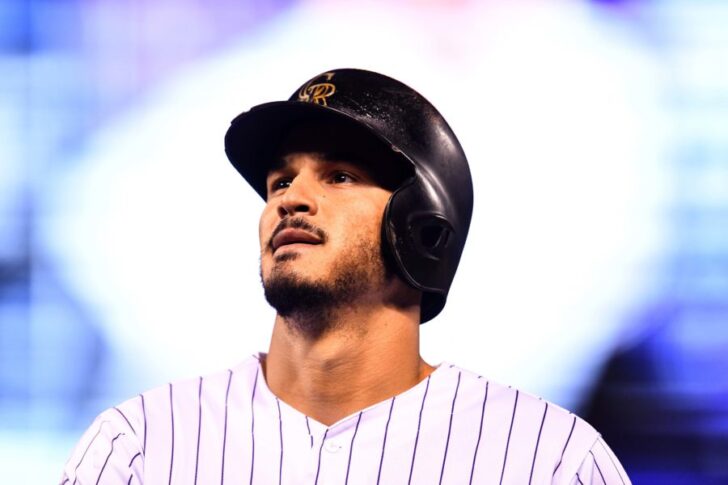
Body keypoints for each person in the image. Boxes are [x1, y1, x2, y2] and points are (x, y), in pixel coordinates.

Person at [61, 68, 630, 484]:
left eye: (339, 176)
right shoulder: (139, 444)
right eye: (280, 182)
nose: (292, 200)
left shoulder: (546, 458)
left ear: (423, 227)